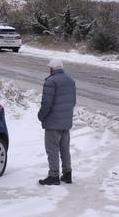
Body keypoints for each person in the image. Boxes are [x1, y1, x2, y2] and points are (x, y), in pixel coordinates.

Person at [38, 58, 76, 186]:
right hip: (66, 122)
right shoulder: (70, 81)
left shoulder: (51, 81)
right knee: (64, 148)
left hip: (53, 122)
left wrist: (41, 116)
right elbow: (73, 102)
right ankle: (67, 174)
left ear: (52, 68)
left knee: (52, 149)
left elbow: (46, 103)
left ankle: (54, 175)